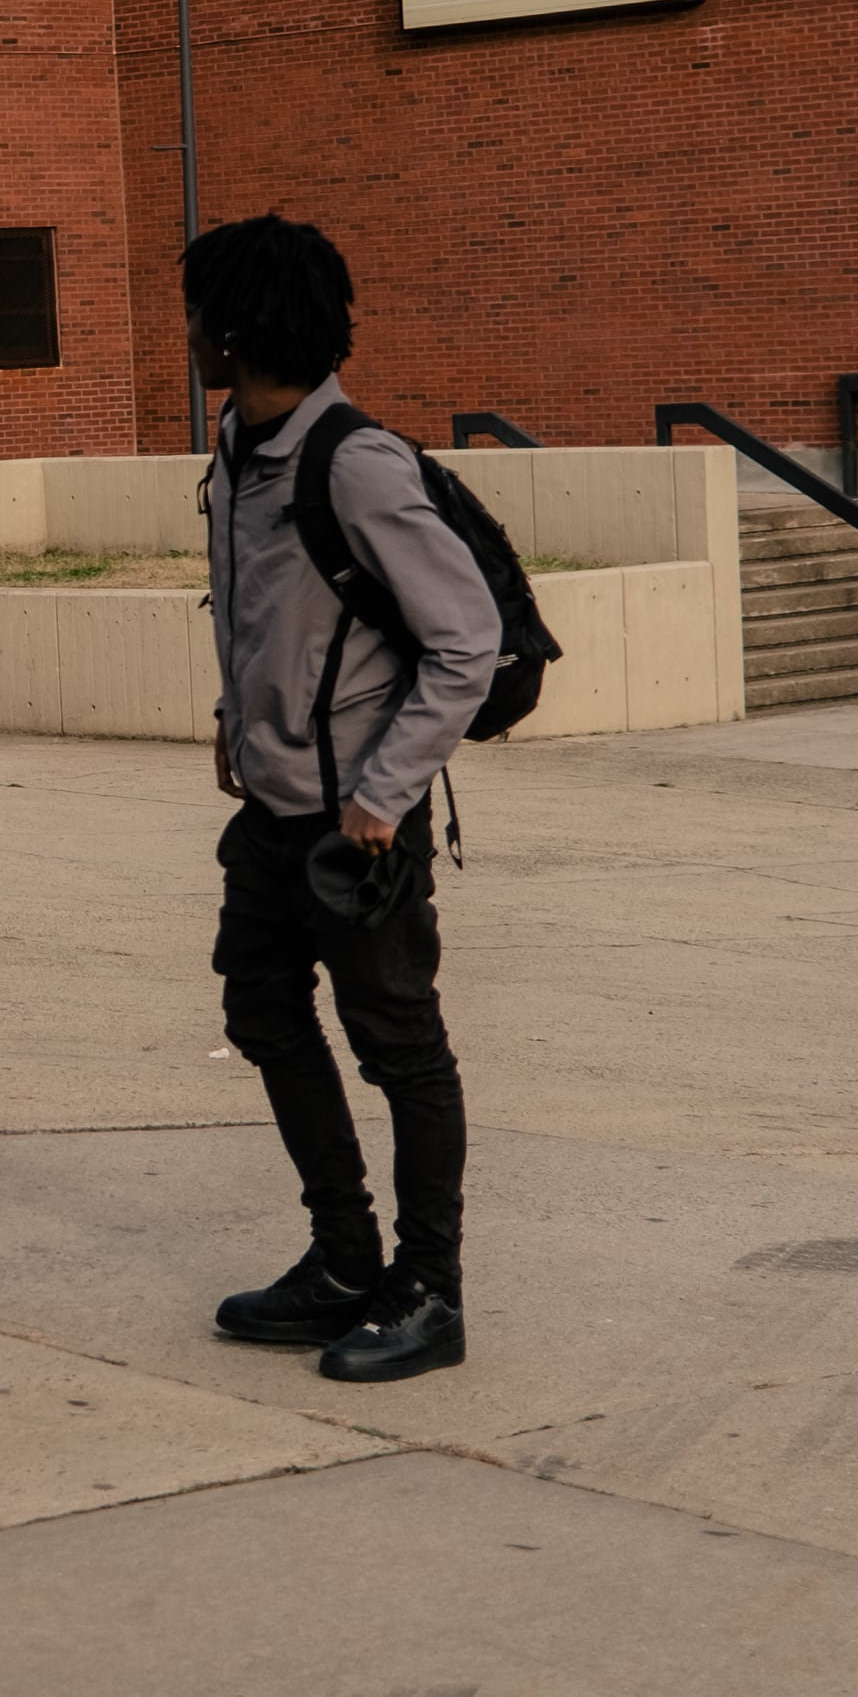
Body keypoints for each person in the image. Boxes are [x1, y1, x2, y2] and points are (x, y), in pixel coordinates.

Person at [190, 213, 495, 1386]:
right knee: (262, 1017)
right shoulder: (237, 442)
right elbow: (262, 606)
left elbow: (462, 640)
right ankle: (341, 1255)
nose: (187, 337)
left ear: (234, 327)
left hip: (355, 826)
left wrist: (383, 791)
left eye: (197, 317)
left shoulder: (354, 462)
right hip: (268, 811)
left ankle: (429, 1289)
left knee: (399, 1046)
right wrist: (234, 714)